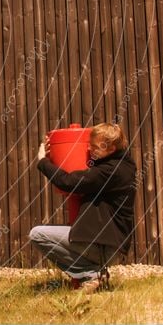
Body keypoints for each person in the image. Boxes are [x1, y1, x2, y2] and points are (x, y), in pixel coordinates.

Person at [29, 123, 137, 292]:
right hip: (109, 245)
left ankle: (90, 274)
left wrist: (43, 161)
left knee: (37, 234)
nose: (89, 149)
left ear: (112, 148)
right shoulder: (125, 165)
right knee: (62, 231)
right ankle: (95, 273)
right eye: (89, 144)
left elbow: (69, 182)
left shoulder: (109, 171)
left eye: (95, 146)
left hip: (101, 247)